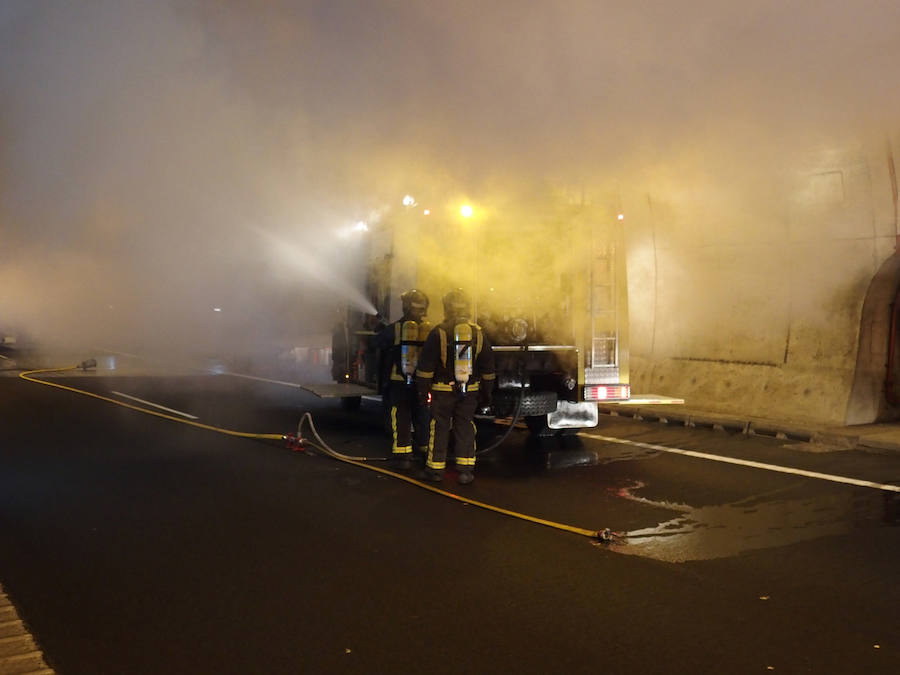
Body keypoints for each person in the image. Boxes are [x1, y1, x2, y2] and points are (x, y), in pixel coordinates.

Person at [415, 288, 495, 484]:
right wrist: (487, 395)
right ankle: (465, 471)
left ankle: (435, 470)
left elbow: (425, 367)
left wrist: (422, 392)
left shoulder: (439, 332)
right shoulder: (479, 333)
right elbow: (488, 369)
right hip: (470, 391)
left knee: (439, 426)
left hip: (442, 391)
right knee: (465, 426)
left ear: (446, 308)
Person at [373, 289, 431, 470]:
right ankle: (425, 452)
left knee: (401, 417)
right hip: (422, 382)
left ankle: (404, 457)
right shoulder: (430, 330)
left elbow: (376, 343)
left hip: (398, 382)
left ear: (405, 306)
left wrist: (380, 330)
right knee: (423, 415)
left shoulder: (396, 328)